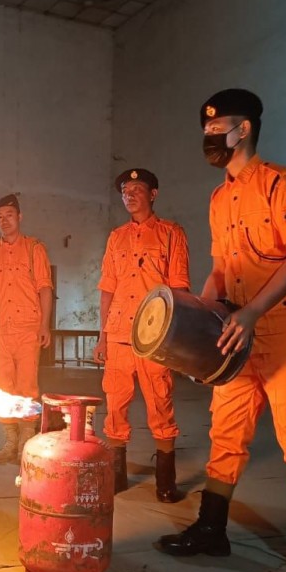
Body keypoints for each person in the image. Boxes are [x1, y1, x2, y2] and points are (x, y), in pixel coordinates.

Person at [157, 88, 286, 572]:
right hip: (234, 335)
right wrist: (196, 319)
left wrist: (251, 312)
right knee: (226, 436)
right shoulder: (219, 198)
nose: (209, 137)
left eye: (217, 129)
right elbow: (222, 269)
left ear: (243, 130)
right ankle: (211, 531)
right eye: (206, 130)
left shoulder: (281, 183)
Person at [94, 169, 190, 503]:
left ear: (153, 194)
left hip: (154, 335)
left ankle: (165, 481)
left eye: (137, 189)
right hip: (119, 333)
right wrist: (102, 336)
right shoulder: (116, 237)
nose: (130, 194)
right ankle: (117, 475)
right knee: (115, 404)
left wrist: (175, 338)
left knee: (160, 403)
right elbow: (107, 289)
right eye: (124, 190)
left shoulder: (171, 233)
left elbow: (178, 288)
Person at [0, 194, 53, 464]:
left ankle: (26, 443)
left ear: (19, 217)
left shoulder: (34, 249)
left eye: (8, 215)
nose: (4, 221)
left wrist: (44, 325)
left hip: (28, 328)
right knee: (3, 387)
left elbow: (44, 288)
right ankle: (9, 442)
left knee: (27, 385)